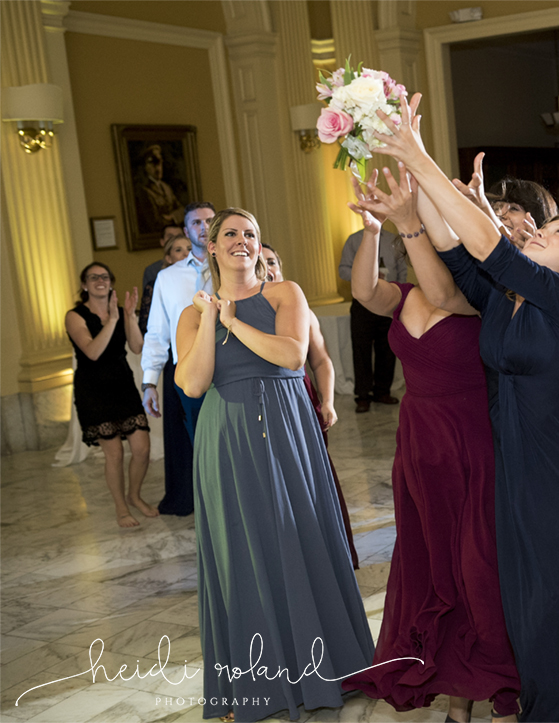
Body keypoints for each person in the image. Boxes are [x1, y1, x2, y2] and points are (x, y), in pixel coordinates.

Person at [373, 92, 559, 722]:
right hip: (513, 482)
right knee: (531, 620)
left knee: (556, 616)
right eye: (545, 226)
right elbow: (455, 248)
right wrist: (415, 194)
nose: (543, 231)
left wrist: (419, 153)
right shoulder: (505, 302)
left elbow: (491, 245)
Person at [175, 208, 374, 722]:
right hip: (228, 438)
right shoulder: (193, 315)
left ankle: (330, 666)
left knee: (300, 536)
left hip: (288, 428)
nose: (242, 241)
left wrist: (233, 322)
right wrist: (210, 321)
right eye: (231, 234)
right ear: (212, 247)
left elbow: (291, 355)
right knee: (243, 549)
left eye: (251, 234)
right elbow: (193, 384)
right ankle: (257, 686)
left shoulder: (285, 294)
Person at [340, 162, 521, 723]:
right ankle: (455, 694)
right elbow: (363, 290)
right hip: (418, 447)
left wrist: (409, 218)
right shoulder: (403, 295)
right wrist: (375, 230)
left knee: (474, 567)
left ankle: (490, 683)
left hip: (469, 445)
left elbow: (443, 291)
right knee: (434, 565)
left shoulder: (476, 295)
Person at [261, 244, 359, 569]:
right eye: (260, 263)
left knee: (311, 476)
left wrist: (328, 401)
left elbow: (322, 362)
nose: (268, 268)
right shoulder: (242, 314)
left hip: (301, 401)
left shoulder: (302, 310)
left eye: (272, 261)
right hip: (262, 407)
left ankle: (324, 554)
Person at [141, 201, 216, 516]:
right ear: (186, 231)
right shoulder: (167, 278)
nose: (204, 227)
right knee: (199, 441)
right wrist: (149, 381)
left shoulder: (233, 267)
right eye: (196, 222)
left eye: (210, 220)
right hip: (186, 368)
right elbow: (157, 332)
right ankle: (210, 505)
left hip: (230, 364)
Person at [65, 263, 153, 527]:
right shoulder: (75, 315)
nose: (99, 281)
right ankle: (121, 508)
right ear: (84, 285)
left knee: (142, 448)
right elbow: (92, 352)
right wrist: (113, 320)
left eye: (104, 277)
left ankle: (134, 495)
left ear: (111, 282)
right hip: (93, 389)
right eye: (93, 277)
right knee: (113, 453)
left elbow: (137, 347)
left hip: (122, 384)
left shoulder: (121, 312)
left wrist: (128, 316)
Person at [339, 224, 406, 413]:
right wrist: (364, 277)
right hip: (362, 303)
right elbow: (342, 270)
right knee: (361, 350)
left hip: (389, 300)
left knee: (388, 347)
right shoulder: (354, 240)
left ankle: (382, 391)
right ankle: (362, 395)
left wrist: (398, 292)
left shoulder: (394, 239)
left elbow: (402, 270)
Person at [139, 232, 190, 334]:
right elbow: (147, 327)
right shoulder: (156, 286)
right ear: (169, 258)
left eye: (190, 249)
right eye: (178, 250)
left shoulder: (206, 280)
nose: (186, 254)